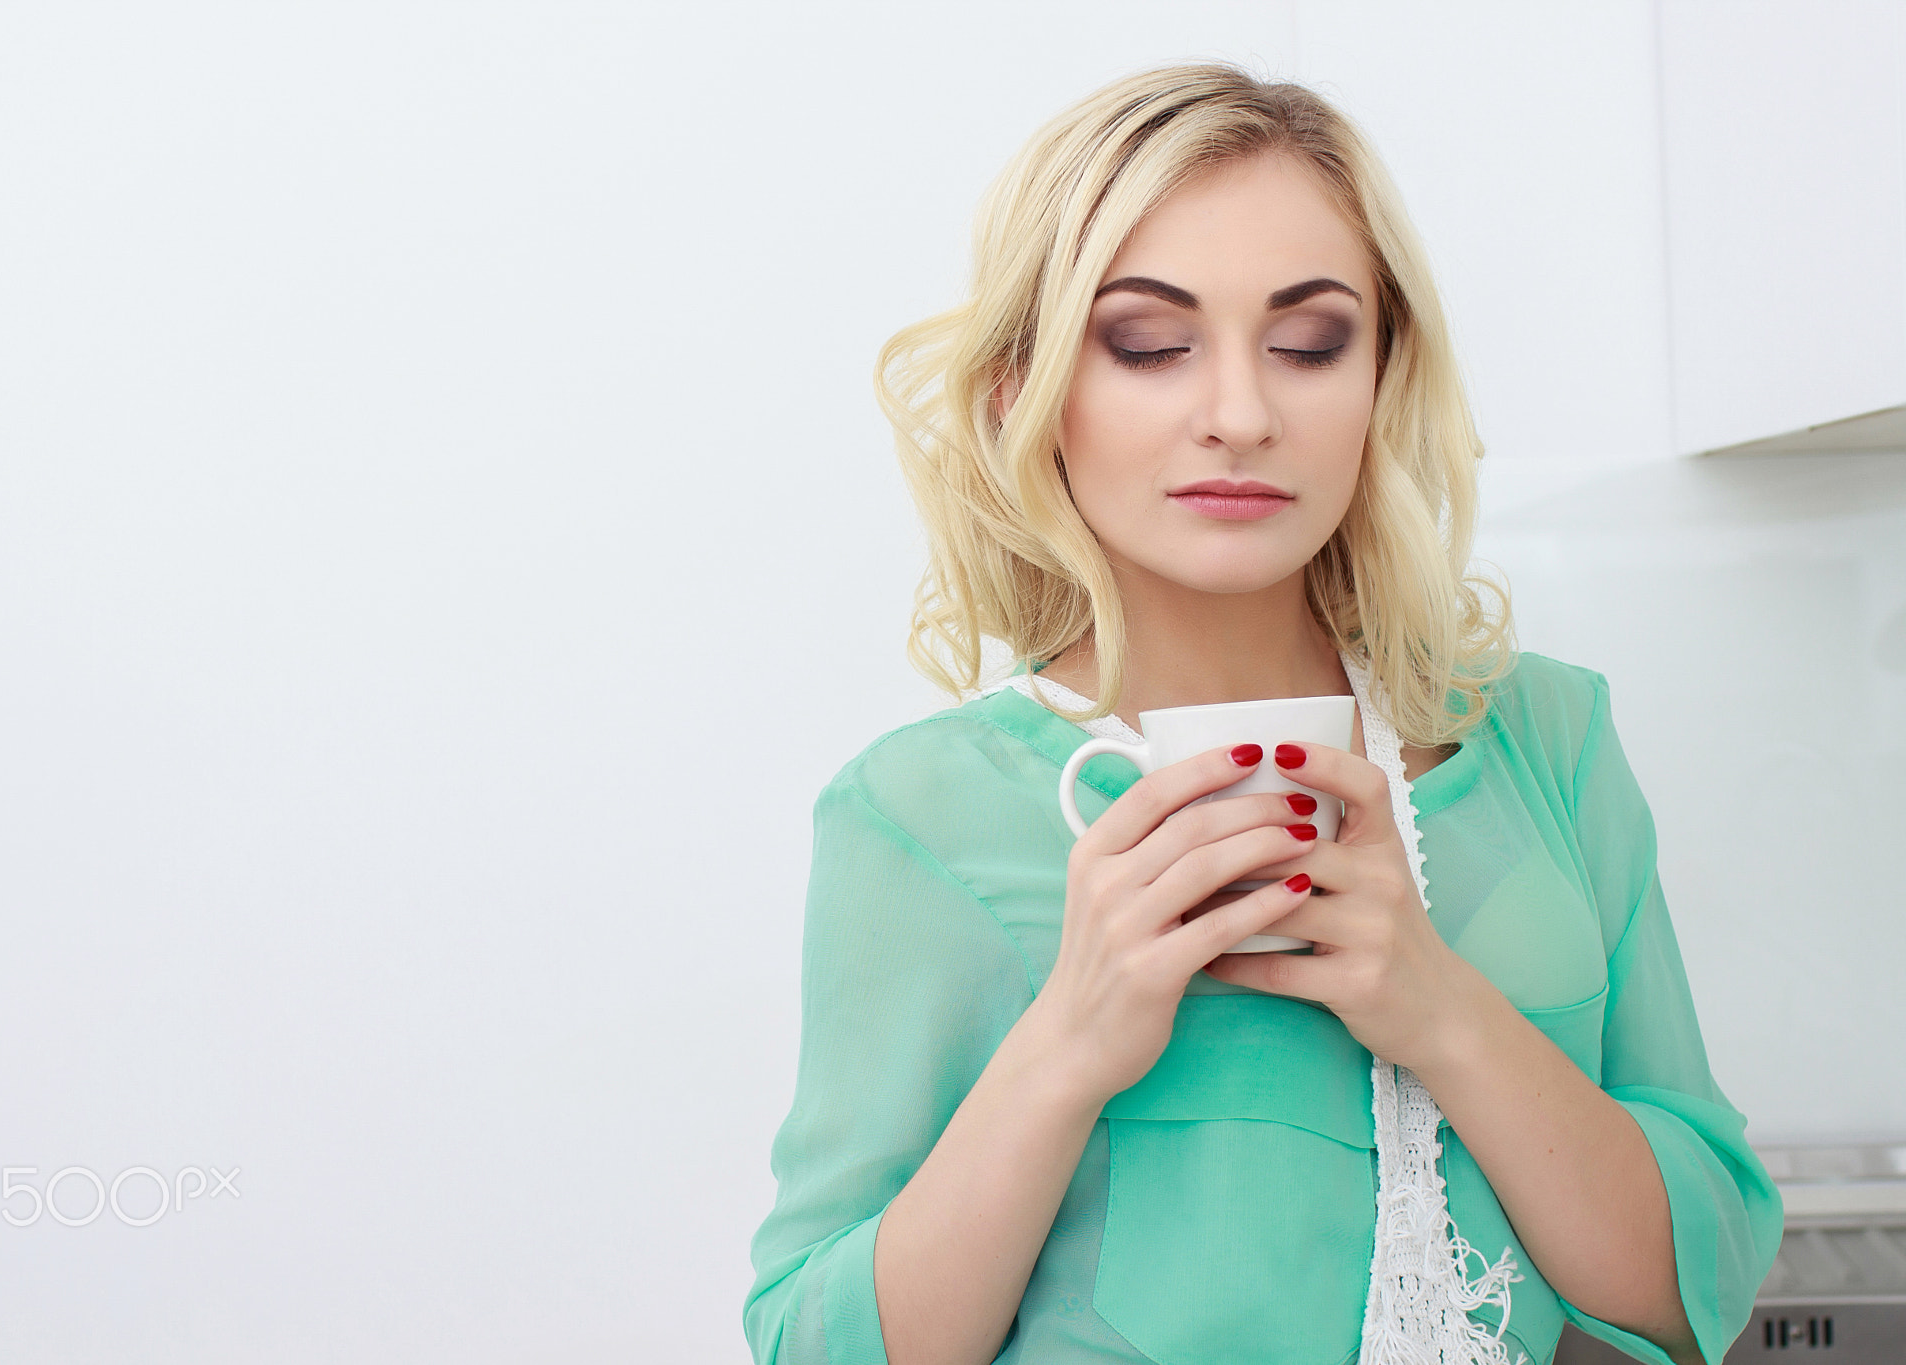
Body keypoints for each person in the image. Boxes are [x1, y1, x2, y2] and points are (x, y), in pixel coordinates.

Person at [743, 62, 1781, 1365]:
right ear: (1026, 389)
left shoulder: (1552, 743)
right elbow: (812, 1342)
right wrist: (1071, 1038)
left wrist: (1437, 1005)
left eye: (1308, 342)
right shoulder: (915, 815)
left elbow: (1695, 1300)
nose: (1240, 414)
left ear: (1382, 374)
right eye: (1149, 343)